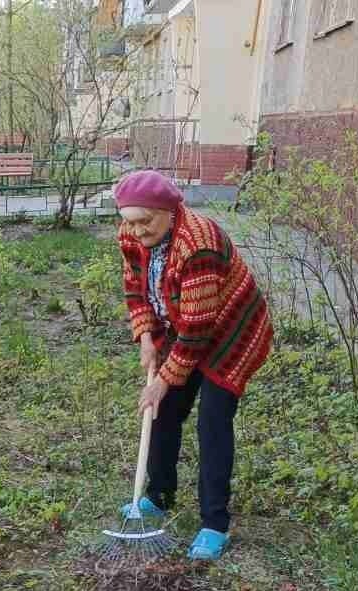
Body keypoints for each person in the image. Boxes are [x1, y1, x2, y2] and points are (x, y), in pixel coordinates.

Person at [114, 169, 272, 560]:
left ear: (169, 210)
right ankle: (160, 495)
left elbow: (198, 333)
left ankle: (214, 524)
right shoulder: (131, 233)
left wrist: (163, 380)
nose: (137, 231)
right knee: (164, 412)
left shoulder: (197, 244)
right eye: (130, 222)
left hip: (231, 334)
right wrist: (147, 339)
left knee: (212, 422)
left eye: (145, 221)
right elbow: (135, 288)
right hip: (182, 323)